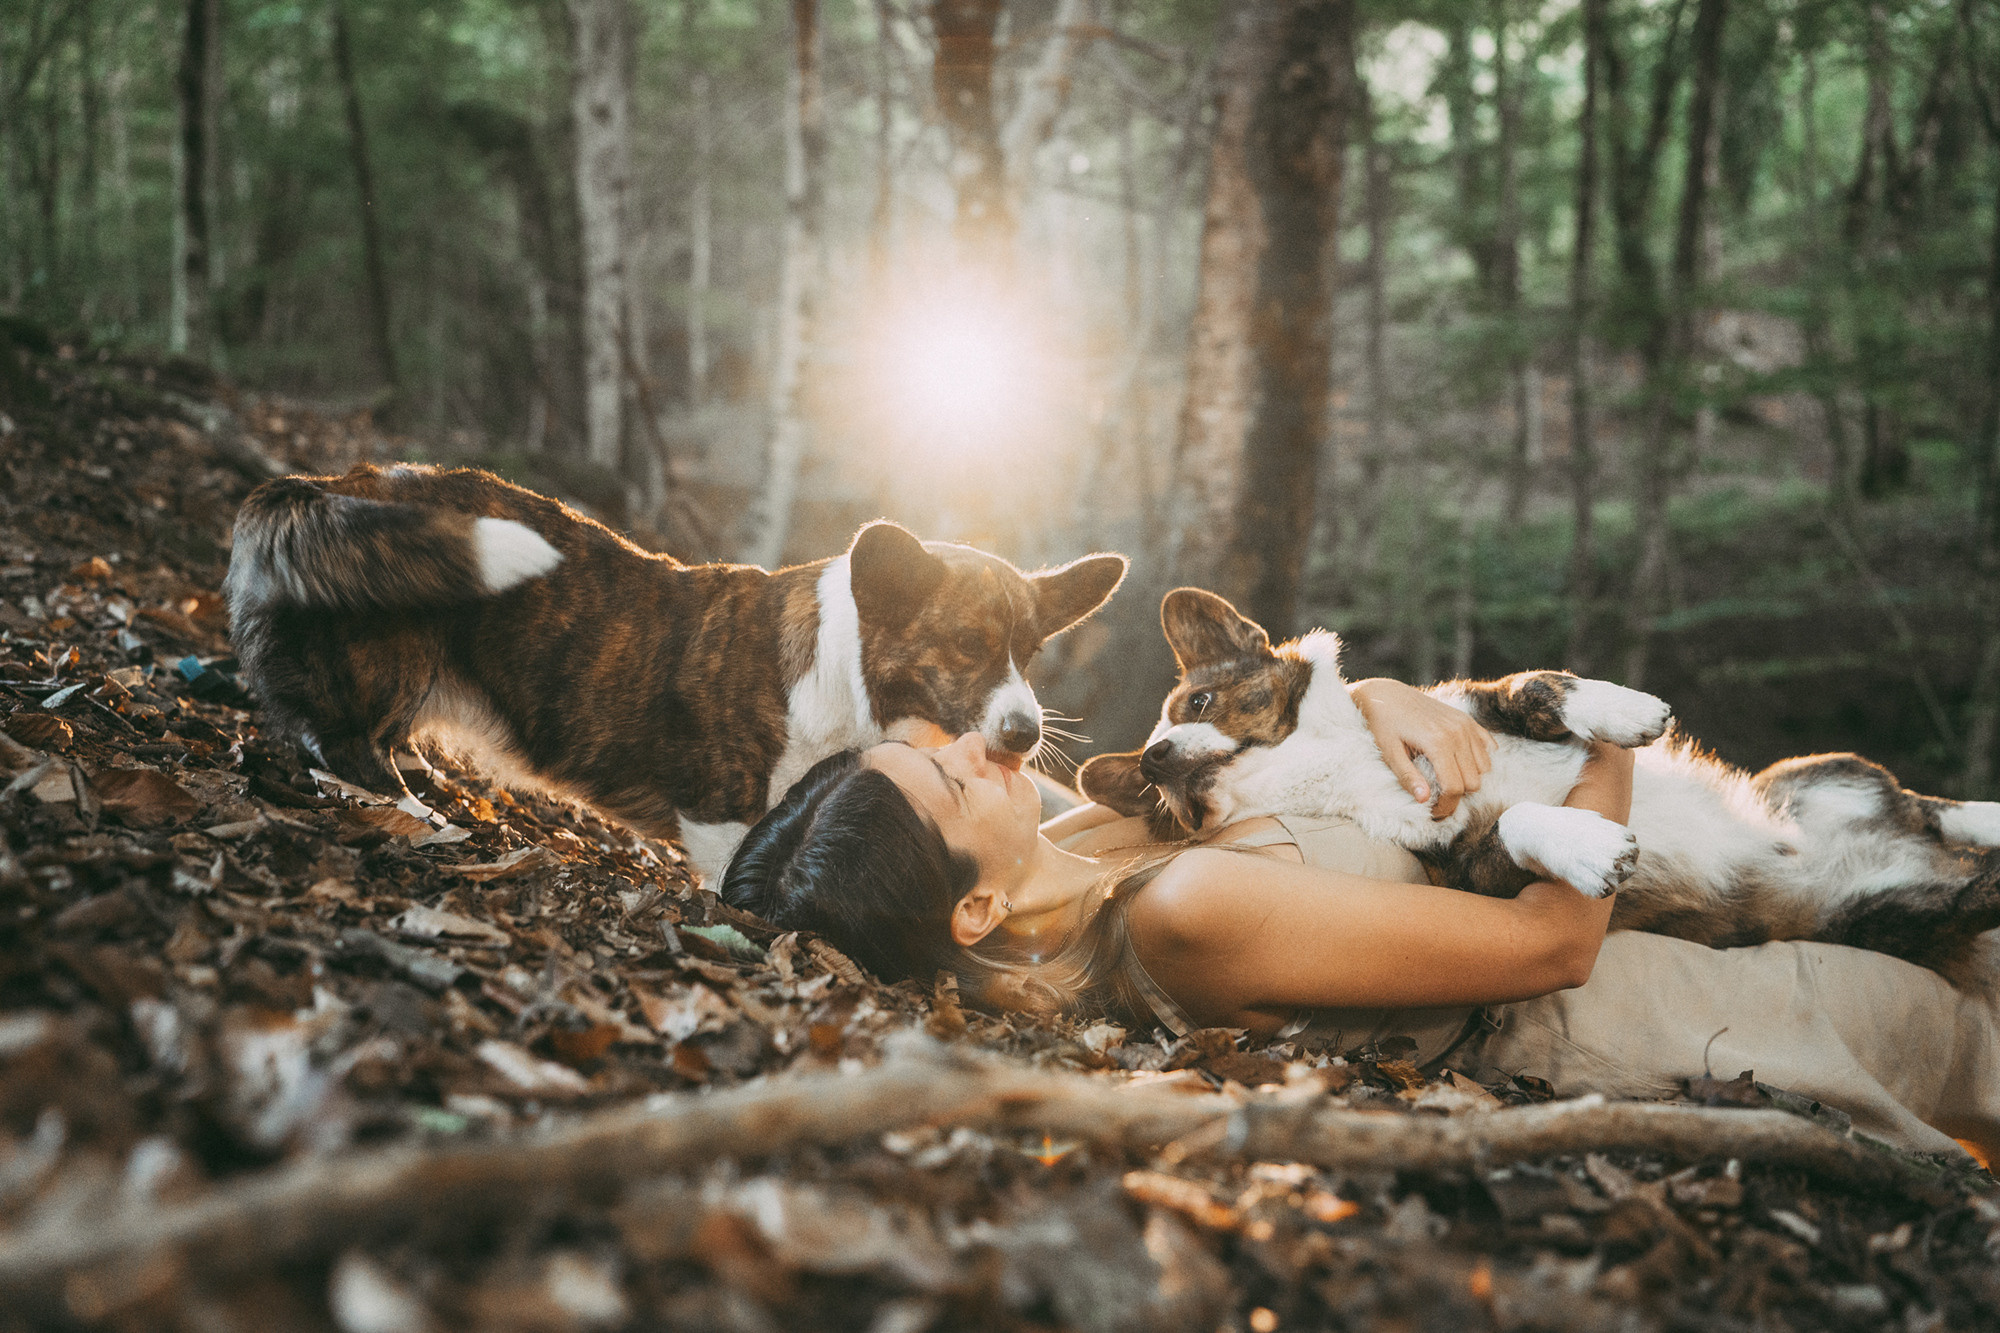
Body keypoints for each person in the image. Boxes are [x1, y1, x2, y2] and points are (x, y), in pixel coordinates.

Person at [722, 678, 2000, 1161]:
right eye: (951, 777)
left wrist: (1384, 690)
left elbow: (1293, 741)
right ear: (976, 905)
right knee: (1969, 1044)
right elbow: (1549, 946)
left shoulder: (1084, 838)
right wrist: (1587, 727)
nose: (975, 748)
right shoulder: (1182, 911)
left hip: (1697, 921)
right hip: (1659, 1009)